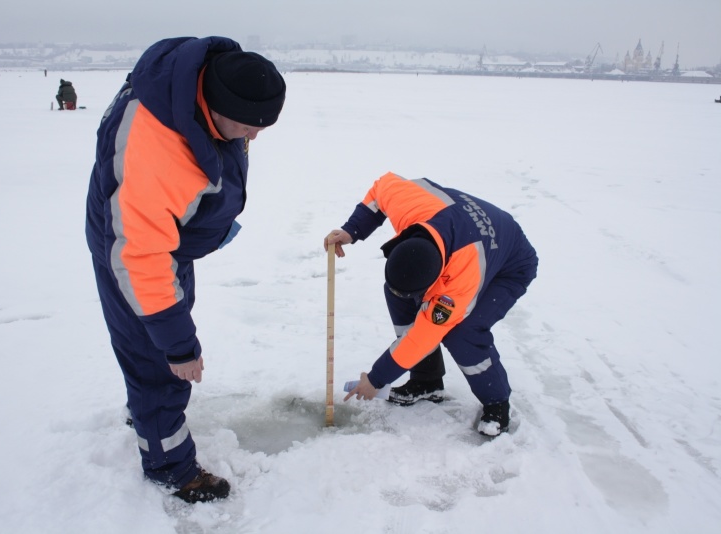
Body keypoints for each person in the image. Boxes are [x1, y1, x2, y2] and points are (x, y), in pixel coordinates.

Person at [85, 37, 286, 503]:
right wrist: (178, 348)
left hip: (164, 240)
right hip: (135, 251)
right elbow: (140, 257)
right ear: (215, 106)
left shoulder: (203, 83)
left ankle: (147, 411)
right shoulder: (153, 150)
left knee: (158, 345)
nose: (253, 138)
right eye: (247, 127)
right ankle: (170, 467)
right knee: (159, 361)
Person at [324, 172, 538, 436]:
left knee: (463, 333)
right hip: (462, 233)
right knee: (398, 292)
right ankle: (427, 383)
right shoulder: (406, 204)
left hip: (508, 264)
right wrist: (351, 230)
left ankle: (496, 403)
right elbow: (381, 189)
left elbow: (422, 337)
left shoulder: (458, 284)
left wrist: (377, 378)